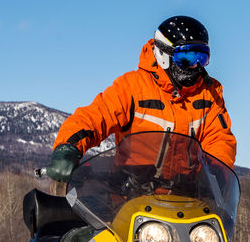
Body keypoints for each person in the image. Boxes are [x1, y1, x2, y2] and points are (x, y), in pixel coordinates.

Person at [45, 15, 237, 183]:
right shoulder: (133, 87)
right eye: (186, 58)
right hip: (130, 194)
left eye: (201, 58)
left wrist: (215, 172)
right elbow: (94, 118)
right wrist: (67, 149)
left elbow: (219, 139)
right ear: (164, 55)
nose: (195, 66)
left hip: (187, 197)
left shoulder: (209, 93)